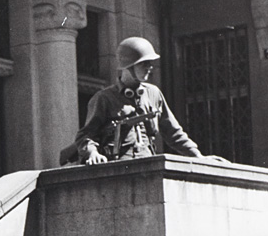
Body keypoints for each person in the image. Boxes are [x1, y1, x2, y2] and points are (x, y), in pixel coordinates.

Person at [71, 36, 222, 165]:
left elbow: (173, 133)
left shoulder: (153, 94)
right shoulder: (104, 98)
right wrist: (92, 153)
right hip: (119, 167)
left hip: (148, 164)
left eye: (150, 63)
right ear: (128, 66)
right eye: (144, 63)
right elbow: (85, 136)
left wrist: (198, 156)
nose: (150, 68)